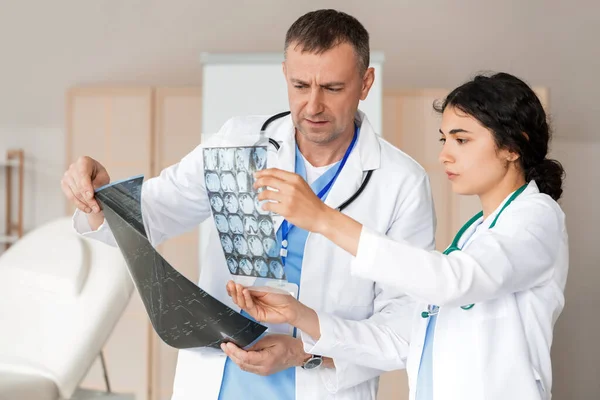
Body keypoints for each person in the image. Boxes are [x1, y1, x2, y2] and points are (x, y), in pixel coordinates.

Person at [61, 9, 436, 400]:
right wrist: (102, 198)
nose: (313, 106)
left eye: (333, 88)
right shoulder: (236, 141)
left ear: (365, 82)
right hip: (216, 382)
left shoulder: (401, 183)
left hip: (318, 385)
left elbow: (403, 328)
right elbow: (153, 212)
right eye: (300, 85)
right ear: (285, 75)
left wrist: (305, 353)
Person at [228, 72, 569, 400]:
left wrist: (324, 220)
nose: (444, 154)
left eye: (461, 139)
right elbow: (400, 341)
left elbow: (453, 281)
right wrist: (299, 317)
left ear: (513, 147)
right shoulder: (474, 237)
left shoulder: (536, 216)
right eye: (444, 138)